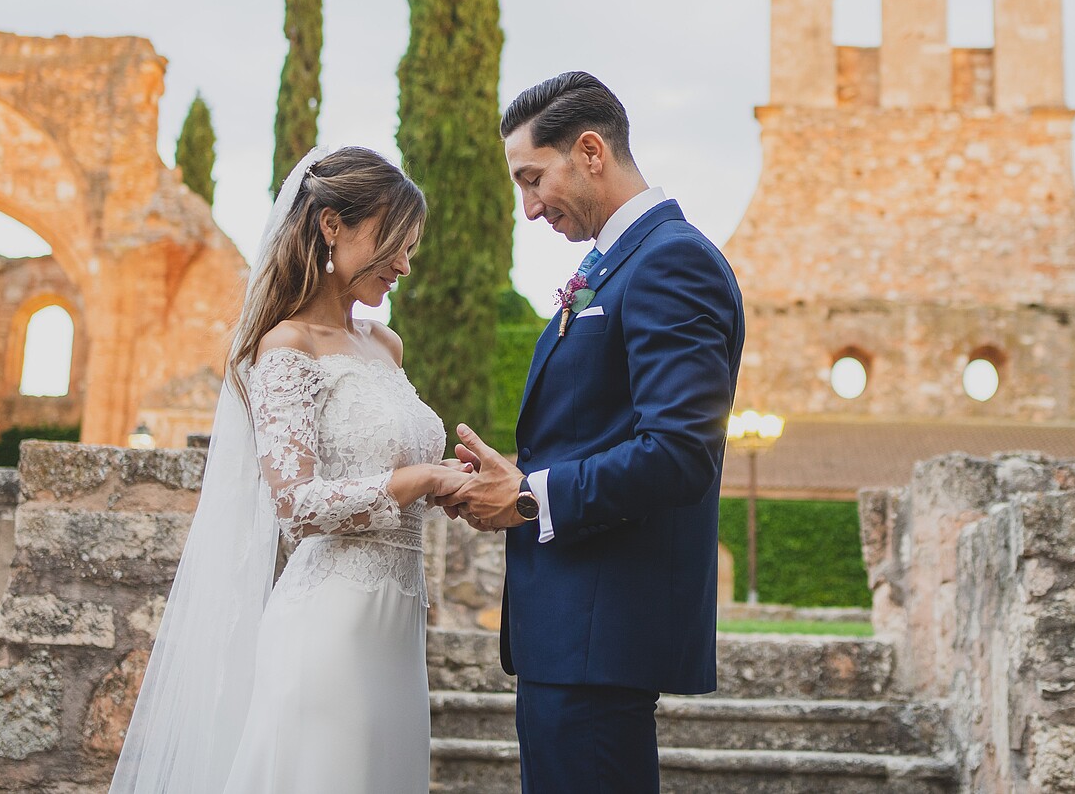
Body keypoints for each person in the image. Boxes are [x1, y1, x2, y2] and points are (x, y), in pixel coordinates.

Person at [109, 145, 473, 794]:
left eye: (411, 247)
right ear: (332, 224)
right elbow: (297, 504)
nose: (405, 265)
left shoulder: (385, 345)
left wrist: (448, 476)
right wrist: (417, 481)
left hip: (396, 628)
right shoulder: (286, 347)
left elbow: (383, 469)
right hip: (329, 629)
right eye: (394, 242)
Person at [444, 71, 746, 794]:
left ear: (588, 151)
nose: (526, 207)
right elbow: (594, 429)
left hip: (600, 636)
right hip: (570, 636)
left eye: (532, 178)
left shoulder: (672, 260)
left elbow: (679, 451)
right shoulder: (611, 266)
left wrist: (527, 498)